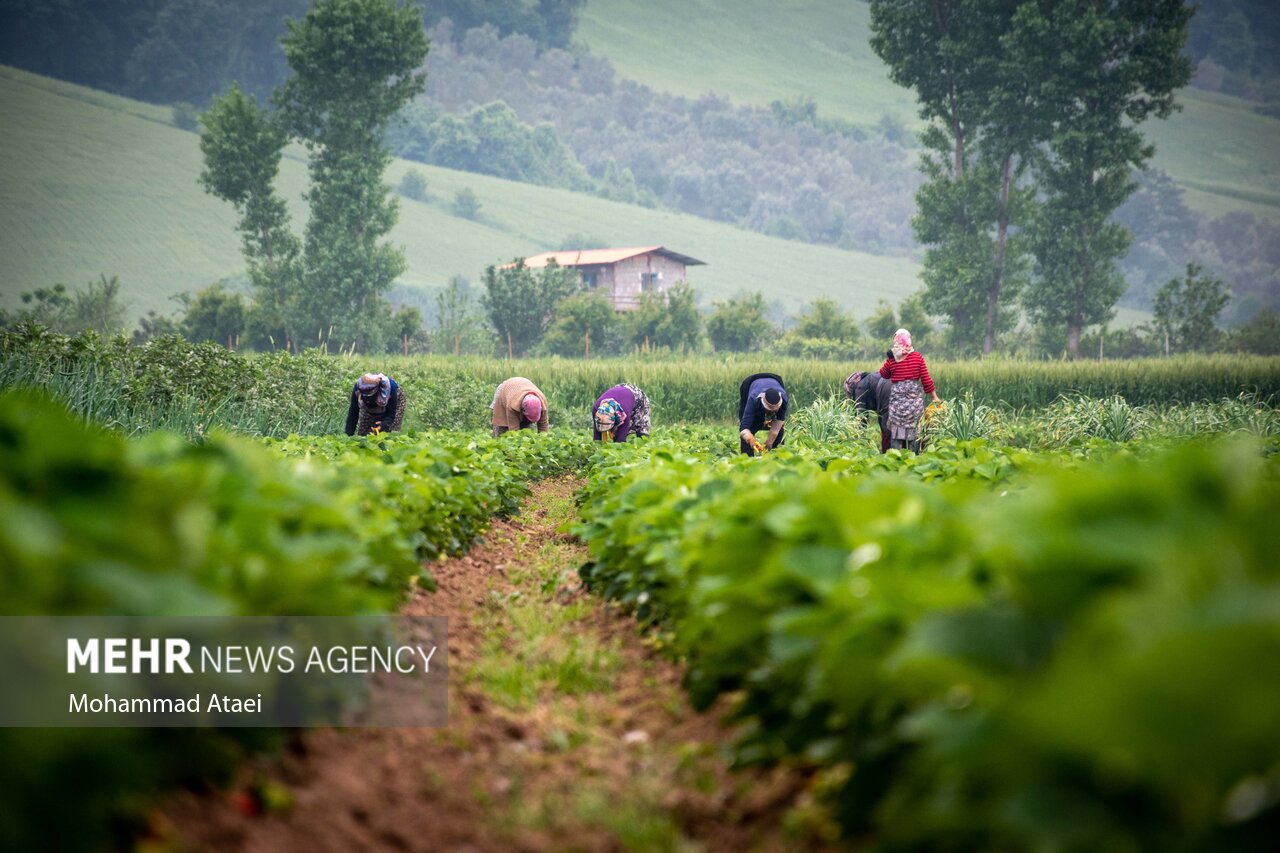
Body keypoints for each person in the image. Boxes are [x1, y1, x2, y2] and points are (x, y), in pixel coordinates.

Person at [879, 329, 941, 452]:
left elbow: (883, 374)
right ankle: (914, 457)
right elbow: (926, 379)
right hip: (914, 403)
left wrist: (890, 357)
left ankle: (895, 458)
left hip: (897, 403)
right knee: (915, 429)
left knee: (896, 431)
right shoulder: (918, 357)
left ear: (896, 341)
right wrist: (935, 397)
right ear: (909, 340)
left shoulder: (893, 359)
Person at [738, 372, 787, 456]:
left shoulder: (784, 398)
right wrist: (750, 439)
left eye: (775, 410)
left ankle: (776, 454)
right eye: (769, 410)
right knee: (752, 425)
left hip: (775, 379)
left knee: (780, 429)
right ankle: (748, 457)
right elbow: (744, 428)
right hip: (749, 383)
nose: (772, 412)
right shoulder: (753, 399)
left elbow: (778, 423)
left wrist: (770, 442)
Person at [843, 369, 893, 453]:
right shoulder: (868, 379)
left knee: (886, 425)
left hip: (886, 391)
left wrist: (860, 438)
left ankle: (888, 453)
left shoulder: (859, 387)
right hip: (897, 386)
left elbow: (861, 416)